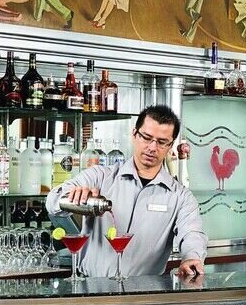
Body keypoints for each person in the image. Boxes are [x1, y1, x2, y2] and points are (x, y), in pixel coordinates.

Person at [48, 105, 207, 279]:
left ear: (171, 145)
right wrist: (71, 196)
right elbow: (53, 201)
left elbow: (192, 233)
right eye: (146, 138)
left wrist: (192, 257)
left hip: (144, 291)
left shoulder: (181, 197)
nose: (152, 147)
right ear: (134, 135)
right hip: (90, 287)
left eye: (162, 142)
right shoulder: (99, 176)